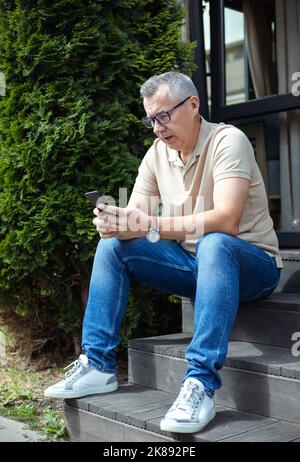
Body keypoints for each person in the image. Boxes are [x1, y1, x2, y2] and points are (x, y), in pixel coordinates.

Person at [44, 71, 282, 434]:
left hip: (252, 264)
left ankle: (200, 383)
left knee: (215, 242)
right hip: (195, 267)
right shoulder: (157, 154)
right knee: (113, 245)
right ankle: (98, 365)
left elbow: (227, 220)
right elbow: (137, 216)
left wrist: (149, 226)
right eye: (150, 119)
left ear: (193, 105)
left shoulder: (227, 141)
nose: (156, 128)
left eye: (163, 116)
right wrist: (117, 222)